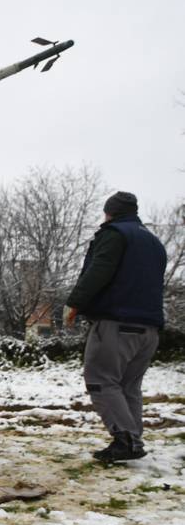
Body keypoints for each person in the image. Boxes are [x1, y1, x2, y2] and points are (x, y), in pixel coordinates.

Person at [64, 191, 166, 463]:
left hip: (116, 324)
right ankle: (133, 439)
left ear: (111, 212)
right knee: (128, 385)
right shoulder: (154, 242)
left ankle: (126, 440)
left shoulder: (114, 234)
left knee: (101, 380)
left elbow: (99, 271)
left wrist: (74, 303)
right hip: (149, 330)